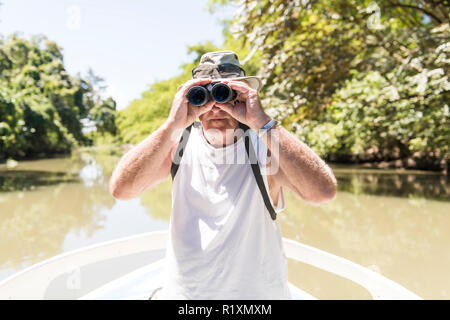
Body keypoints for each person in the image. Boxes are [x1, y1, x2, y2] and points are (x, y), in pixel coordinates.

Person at [109, 51, 337, 299]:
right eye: (202, 97)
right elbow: (122, 190)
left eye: (226, 95)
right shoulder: (177, 147)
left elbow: (321, 192)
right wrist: (172, 125)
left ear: (243, 97)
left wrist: (260, 121)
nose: (216, 107)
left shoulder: (267, 148)